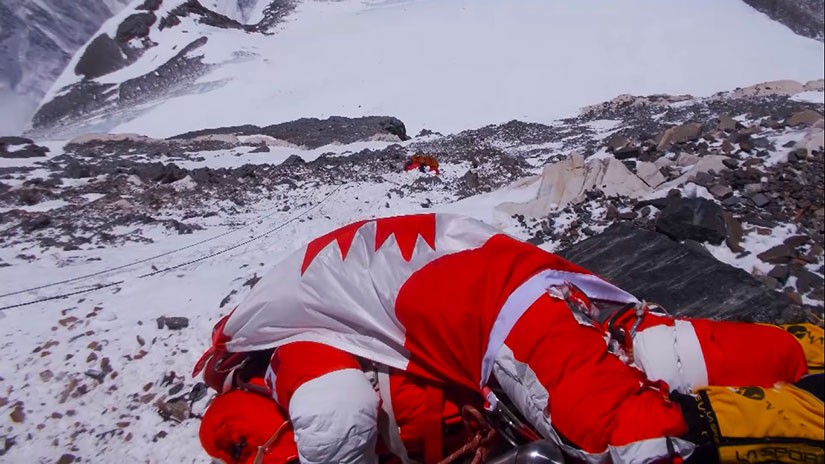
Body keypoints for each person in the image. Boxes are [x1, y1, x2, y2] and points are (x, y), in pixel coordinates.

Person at [195, 213, 824, 464]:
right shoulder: (325, 314)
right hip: (520, 285)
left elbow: (337, 419)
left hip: (490, 318)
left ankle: (795, 423)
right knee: (664, 353)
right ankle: (806, 350)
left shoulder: (291, 353)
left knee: (616, 436)